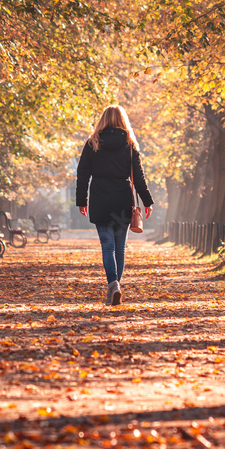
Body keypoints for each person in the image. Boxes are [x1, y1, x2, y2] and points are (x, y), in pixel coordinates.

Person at [76, 105, 153, 306]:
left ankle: (113, 286)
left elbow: (83, 173)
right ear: (122, 120)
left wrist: (81, 200)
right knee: (120, 249)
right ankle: (115, 286)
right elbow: (139, 177)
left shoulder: (92, 143)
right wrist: (147, 201)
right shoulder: (129, 145)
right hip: (122, 199)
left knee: (107, 246)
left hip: (100, 198)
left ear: (103, 120)